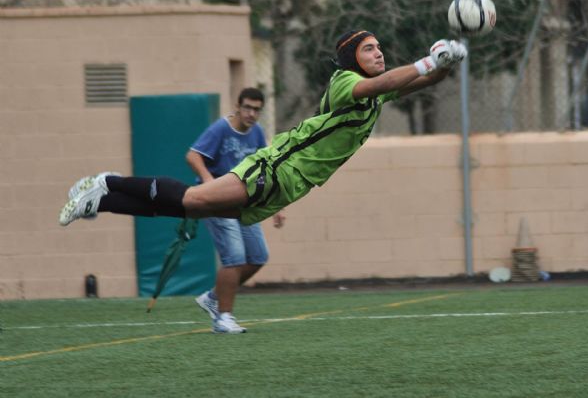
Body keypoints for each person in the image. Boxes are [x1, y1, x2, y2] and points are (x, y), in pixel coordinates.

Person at [59, 30, 467, 282]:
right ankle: (109, 181)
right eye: (370, 49)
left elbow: (415, 82)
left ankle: (103, 198)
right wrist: (428, 59)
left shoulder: (379, 90)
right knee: (194, 199)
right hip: (277, 166)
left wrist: (448, 63)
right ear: (351, 61)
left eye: (380, 48)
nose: (379, 53)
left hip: (290, 185)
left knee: (192, 211)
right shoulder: (347, 82)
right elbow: (397, 78)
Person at [187, 87, 285, 334]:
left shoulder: (257, 133)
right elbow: (193, 156)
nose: (251, 114)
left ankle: (212, 297)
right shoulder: (221, 129)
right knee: (234, 258)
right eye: (247, 108)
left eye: (256, 110)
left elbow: (265, 169)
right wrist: (210, 183)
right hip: (218, 202)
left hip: (244, 203)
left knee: (258, 257)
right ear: (237, 107)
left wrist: (276, 206)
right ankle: (223, 318)